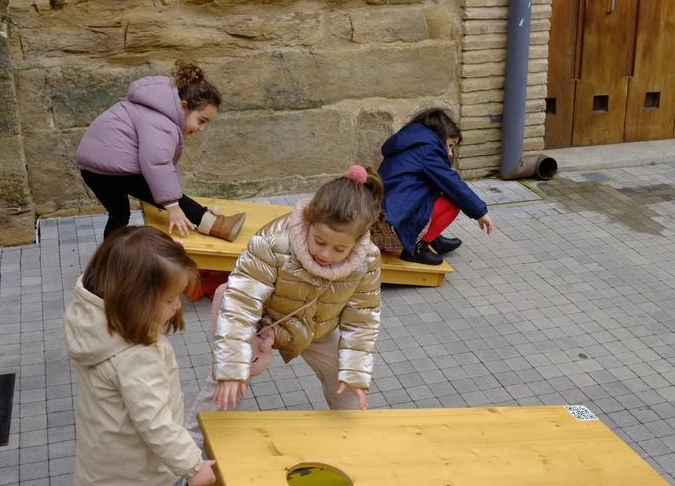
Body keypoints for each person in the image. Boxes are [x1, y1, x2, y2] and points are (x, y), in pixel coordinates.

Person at [184, 166, 383, 450]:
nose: (326, 255)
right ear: (308, 220)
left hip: (317, 325)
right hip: (261, 320)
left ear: (360, 239)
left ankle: (352, 442)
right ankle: (188, 451)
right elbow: (240, 305)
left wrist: (355, 372)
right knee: (228, 382)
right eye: (320, 242)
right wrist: (231, 370)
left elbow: (362, 319)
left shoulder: (367, 258)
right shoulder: (273, 242)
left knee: (346, 379)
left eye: (340, 250)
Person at [64, 226, 216, 486]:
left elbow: (113, 264)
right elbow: (155, 424)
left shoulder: (96, 316)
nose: (178, 305)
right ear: (136, 300)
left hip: (103, 466)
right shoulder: (136, 357)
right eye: (170, 300)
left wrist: (161, 261)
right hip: (141, 476)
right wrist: (193, 466)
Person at [76, 59, 246, 241]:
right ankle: (216, 225)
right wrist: (172, 206)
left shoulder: (150, 110)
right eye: (201, 120)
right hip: (116, 169)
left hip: (92, 170)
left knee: (119, 214)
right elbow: (157, 164)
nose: (201, 128)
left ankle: (105, 260)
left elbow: (164, 166)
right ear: (184, 107)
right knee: (170, 196)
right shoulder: (162, 122)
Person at [377, 108, 493, 265]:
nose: (451, 153)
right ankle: (417, 248)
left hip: (386, 216)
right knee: (452, 202)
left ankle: (432, 238)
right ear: (441, 136)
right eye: (451, 145)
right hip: (393, 226)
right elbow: (451, 182)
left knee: (435, 188)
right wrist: (480, 211)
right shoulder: (427, 149)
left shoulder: (413, 141)